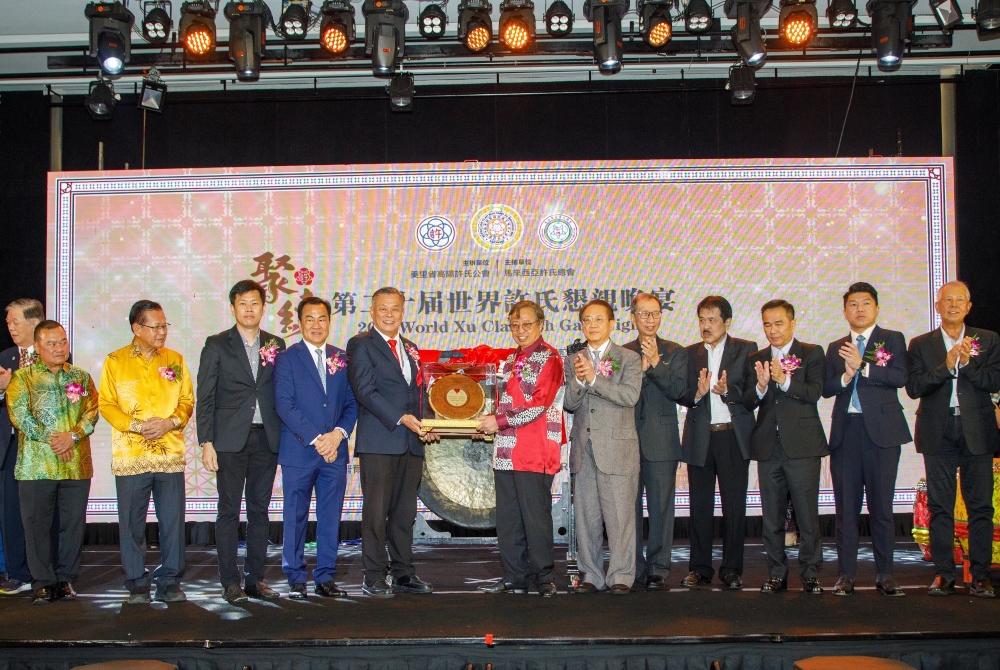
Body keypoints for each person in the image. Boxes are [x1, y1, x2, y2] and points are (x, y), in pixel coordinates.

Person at [906, 280, 1000, 598]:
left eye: (960, 300)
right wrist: (946, 366)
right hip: (939, 431)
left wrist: (968, 364)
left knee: (980, 507)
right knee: (940, 506)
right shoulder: (921, 344)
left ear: (969, 306)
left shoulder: (987, 339)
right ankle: (944, 574)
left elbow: (994, 380)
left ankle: (980, 576)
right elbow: (914, 388)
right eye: (948, 300)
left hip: (977, 430)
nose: (954, 305)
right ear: (938, 306)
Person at [98, 300, 193, 605]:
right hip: (131, 454)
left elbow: (187, 401)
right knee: (131, 523)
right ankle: (137, 583)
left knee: (172, 521)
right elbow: (106, 404)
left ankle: (170, 581)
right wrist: (137, 426)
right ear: (136, 328)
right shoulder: (115, 361)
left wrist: (169, 422)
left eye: (165, 325)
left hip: (169, 453)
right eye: (155, 326)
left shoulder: (175, 360)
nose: (162, 331)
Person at [197, 280, 286, 603]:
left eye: (255, 303)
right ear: (233, 307)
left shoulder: (276, 343)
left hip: (267, 438)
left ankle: (255, 579)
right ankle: (229, 581)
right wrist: (206, 440)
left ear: (264, 307)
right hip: (229, 441)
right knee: (228, 512)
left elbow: (282, 391)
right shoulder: (218, 344)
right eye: (243, 303)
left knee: (260, 511)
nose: (249, 309)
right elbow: (205, 396)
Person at [822, 282, 911, 597]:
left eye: (865, 303)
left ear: (876, 308)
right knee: (846, 510)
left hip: (883, 434)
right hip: (847, 433)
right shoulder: (835, 347)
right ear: (844, 310)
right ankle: (845, 575)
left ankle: (885, 574)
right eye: (853, 304)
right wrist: (846, 375)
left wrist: (864, 366)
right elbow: (827, 387)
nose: (859, 309)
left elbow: (900, 377)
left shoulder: (892, 339)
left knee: (882, 508)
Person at [347, 287, 434, 598]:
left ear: (402, 312)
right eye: (382, 308)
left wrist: (428, 424)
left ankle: (403, 573)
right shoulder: (361, 345)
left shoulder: (410, 347)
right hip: (379, 440)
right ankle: (372, 575)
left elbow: (418, 393)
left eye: (394, 308)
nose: (389, 314)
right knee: (376, 512)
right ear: (372, 312)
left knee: (403, 513)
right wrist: (402, 418)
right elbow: (364, 391)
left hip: (411, 443)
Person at [476, 300, 565, 598]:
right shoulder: (511, 359)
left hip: (534, 450)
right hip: (505, 450)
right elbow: (502, 399)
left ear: (541, 324)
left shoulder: (549, 358)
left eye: (527, 324)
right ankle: (514, 575)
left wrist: (497, 421)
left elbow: (537, 405)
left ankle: (544, 577)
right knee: (509, 518)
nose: (520, 330)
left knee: (535, 517)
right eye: (514, 325)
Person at [5, 321, 97, 604]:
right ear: (38, 347)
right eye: (52, 344)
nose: (60, 349)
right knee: (36, 526)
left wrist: (73, 435)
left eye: (63, 342)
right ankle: (42, 582)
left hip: (75, 465)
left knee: (72, 525)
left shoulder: (81, 377)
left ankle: (66, 579)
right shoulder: (23, 378)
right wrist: (55, 440)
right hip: (36, 466)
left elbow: (92, 411)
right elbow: (19, 415)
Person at [273, 296, 357, 599]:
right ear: (299, 323)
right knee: (295, 516)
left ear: (329, 321)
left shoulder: (341, 357)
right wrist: (318, 439)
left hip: (334, 453)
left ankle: (325, 577)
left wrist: (337, 435)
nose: (316, 325)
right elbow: (284, 404)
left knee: (330, 515)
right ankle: (295, 575)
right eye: (310, 319)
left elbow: (351, 404)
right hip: (299, 451)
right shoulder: (286, 358)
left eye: (322, 318)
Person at [742, 299, 828, 594]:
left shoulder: (811, 353)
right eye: (767, 324)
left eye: (779, 323)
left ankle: (810, 572)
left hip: (802, 445)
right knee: (772, 516)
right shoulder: (757, 356)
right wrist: (762, 386)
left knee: (806, 514)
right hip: (768, 447)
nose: (773, 330)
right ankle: (776, 572)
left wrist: (785, 381)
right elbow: (748, 401)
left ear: (792, 323)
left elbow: (816, 392)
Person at [563, 299, 642, 595]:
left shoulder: (629, 358)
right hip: (584, 450)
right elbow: (570, 404)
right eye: (586, 320)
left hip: (618, 450)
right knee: (586, 517)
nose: (592, 325)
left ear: (612, 324)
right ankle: (591, 575)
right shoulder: (574, 360)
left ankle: (621, 575)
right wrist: (581, 382)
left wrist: (594, 379)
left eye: (598, 320)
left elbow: (629, 395)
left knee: (620, 516)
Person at [678, 296, 755, 590]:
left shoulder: (745, 350)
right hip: (700, 436)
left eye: (712, 320)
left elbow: (749, 392)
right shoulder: (690, 354)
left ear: (727, 322)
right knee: (700, 505)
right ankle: (699, 568)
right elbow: (683, 394)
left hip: (731, 436)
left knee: (734, 506)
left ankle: (732, 568)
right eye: (701, 320)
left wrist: (727, 390)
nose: (705, 326)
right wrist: (696, 395)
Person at [622, 292, 687, 591]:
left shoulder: (676, 351)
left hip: (662, 440)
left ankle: (658, 568)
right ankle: (633, 567)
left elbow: (679, 391)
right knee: (629, 508)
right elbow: (621, 394)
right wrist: (643, 370)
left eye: (655, 313)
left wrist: (657, 364)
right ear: (633, 317)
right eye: (644, 314)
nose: (650, 319)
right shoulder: (621, 353)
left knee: (661, 507)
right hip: (628, 440)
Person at [0, 298, 46, 595]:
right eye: (8, 322)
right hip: (11, 445)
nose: (11, 327)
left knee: (41, 512)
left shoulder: (52, 352)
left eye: (16, 321)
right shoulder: (5, 356)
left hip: (41, 446)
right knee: (11, 511)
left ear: (33, 323)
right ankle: (17, 572)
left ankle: (45, 571)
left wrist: (12, 383)